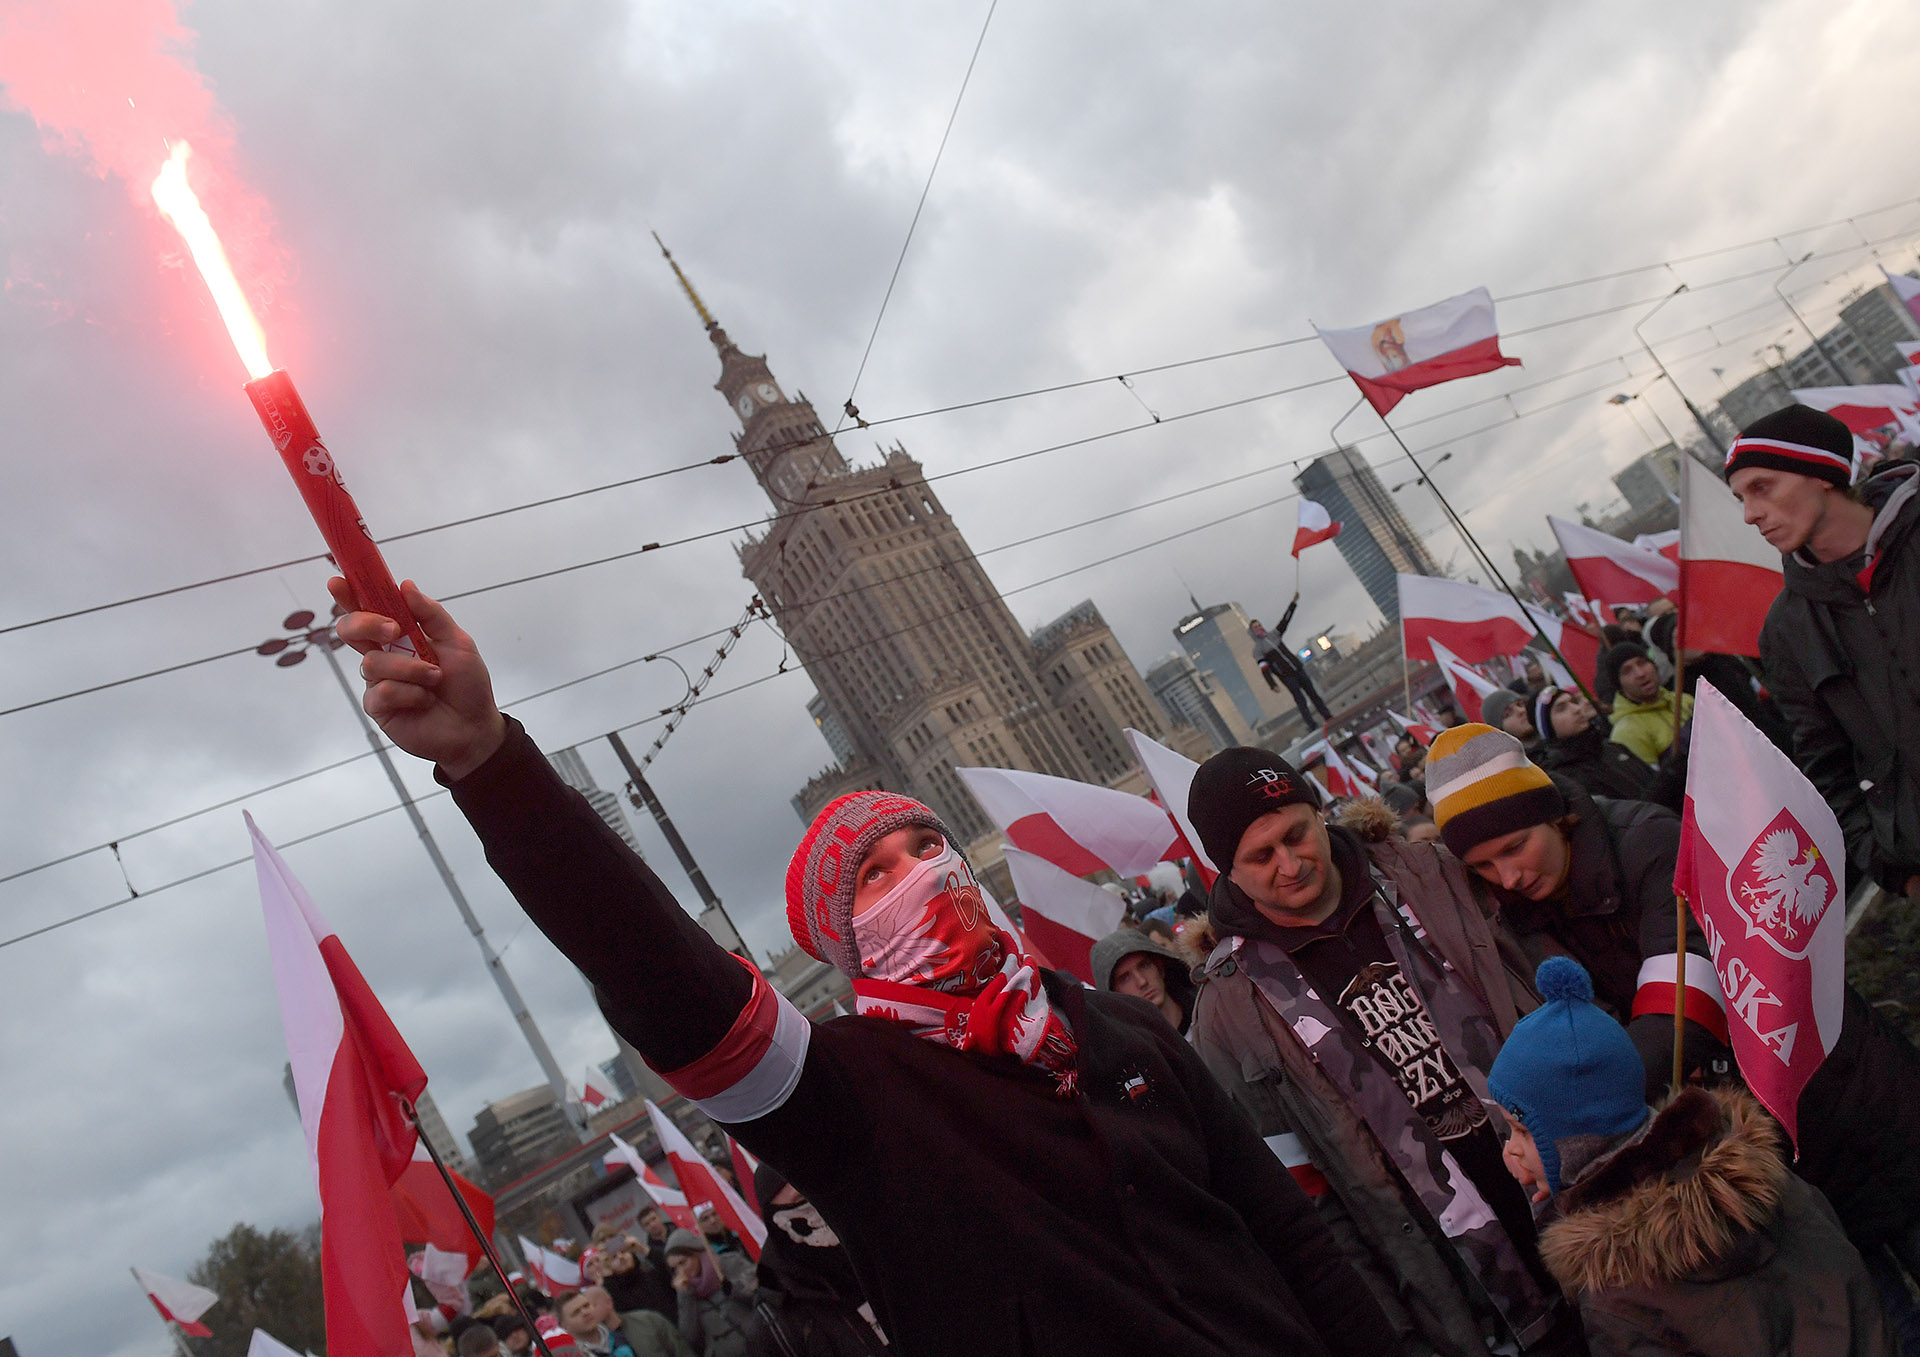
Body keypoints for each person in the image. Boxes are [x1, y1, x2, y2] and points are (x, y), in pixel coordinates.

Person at [333, 580, 1401, 1357]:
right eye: (875, 876)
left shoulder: (1119, 1034)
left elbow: (1292, 1241)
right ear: (845, 947)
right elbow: (668, 983)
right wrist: (491, 765)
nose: (922, 875)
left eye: (927, 846)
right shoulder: (851, 1094)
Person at [1181, 746, 1576, 1357]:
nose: (1291, 865)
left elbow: (1553, 980)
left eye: (1296, 835)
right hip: (1466, 1292)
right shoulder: (1227, 1013)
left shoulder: (1432, 875)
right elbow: (1307, 1202)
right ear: (1226, 872)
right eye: (1262, 857)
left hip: (1580, 1198)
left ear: (1320, 813)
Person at [1488, 957, 1888, 1357]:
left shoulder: (1616, 1292)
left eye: (1522, 1130)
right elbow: (1845, 1271)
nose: (1511, 1148)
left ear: (1576, 1141)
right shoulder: (1755, 1170)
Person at [1429, 722, 1729, 1098]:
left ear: (1553, 816)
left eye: (1514, 848)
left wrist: (1599, 1100)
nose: (1508, 878)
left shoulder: (1651, 842)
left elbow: (1686, 995)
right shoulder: (1506, 909)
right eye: (1483, 866)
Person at [1729, 404, 1920, 901]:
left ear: (1822, 476)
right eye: (1740, 498)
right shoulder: (1787, 630)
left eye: (1762, 488)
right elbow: (1825, 768)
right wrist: (1892, 866)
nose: (1750, 515)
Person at [743, 1161, 888, 1356]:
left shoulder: (884, 1255)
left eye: (817, 1191)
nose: (817, 1208)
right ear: (776, 1218)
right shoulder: (777, 1323)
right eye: (801, 1198)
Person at [1528, 685, 1671, 808]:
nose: (1576, 709)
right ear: (1547, 727)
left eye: (1574, 701)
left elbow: (1653, 782)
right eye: (1561, 709)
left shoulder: (1612, 747)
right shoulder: (1566, 778)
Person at [667, 1232, 758, 1357]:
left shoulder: (728, 1263)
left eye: (683, 1263)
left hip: (761, 1343)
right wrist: (685, 1297)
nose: (681, 1272)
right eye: (675, 1269)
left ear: (697, 1253)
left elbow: (759, 1295)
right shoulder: (687, 1292)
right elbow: (691, 1338)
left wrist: (732, 1289)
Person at [1089, 929, 1196, 1034]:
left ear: (1159, 966)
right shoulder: (1134, 1050)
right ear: (1115, 994)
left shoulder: (1207, 1007)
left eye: (1144, 966)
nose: (1142, 982)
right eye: (1125, 978)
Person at [1250, 595, 1334, 727]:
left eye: (1259, 625)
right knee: (1301, 701)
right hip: (1287, 677)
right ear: (1252, 632)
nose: (1259, 628)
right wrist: (1272, 684)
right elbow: (1264, 669)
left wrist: (1293, 603)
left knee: (1313, 694)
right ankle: (1311, 724)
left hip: (1297, 669)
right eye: (1255, 627)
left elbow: (1285, 621)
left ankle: (1327, 716)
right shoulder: (1258, 650)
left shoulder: (1274, 635)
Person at [1601, 643, 1690, 766]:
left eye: (1642, 663)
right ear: (1619, 686)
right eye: (1627, 671)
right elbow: (1652, 782)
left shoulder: (1684, 699)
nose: (1640, 674)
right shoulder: (1627, 733)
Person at [557, 1289, 639, 1357]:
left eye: (586, 1306)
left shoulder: (623, 1333)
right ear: (564, 1326)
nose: (585, 1313)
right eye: (576, 1312)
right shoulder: (573, 1354)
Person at [1480, 688, 1541, 758]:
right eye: (1508, 714)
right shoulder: (1515, 764)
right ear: (1500, 730)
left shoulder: (1554, 731)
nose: (1521, 711)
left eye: (1520, 704)